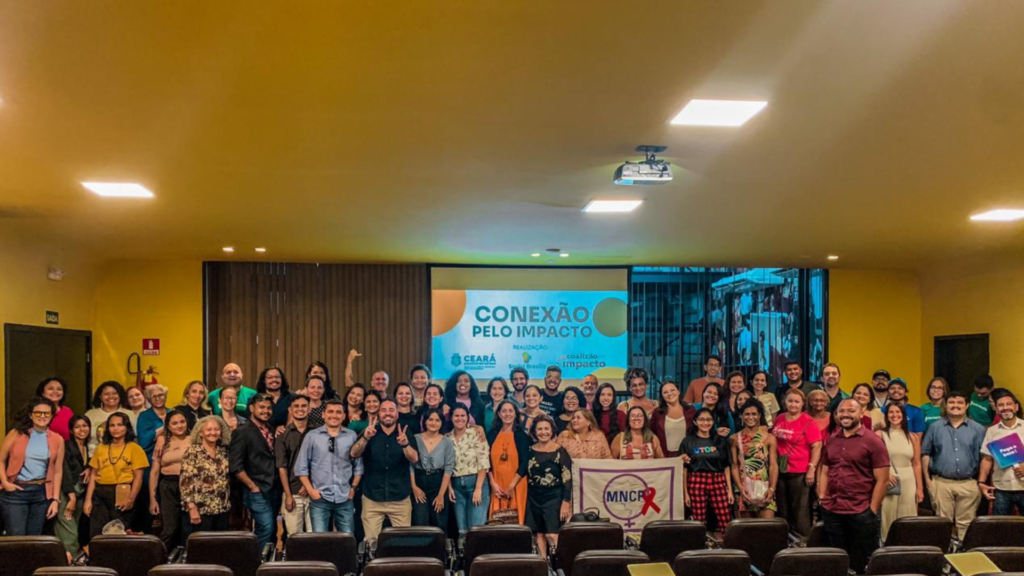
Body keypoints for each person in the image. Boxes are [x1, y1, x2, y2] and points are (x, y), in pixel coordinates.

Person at [818, 399, 890, 574]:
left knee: (863, 562)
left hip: (861, 511)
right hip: (833, 510)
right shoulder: (832, 439)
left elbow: (883, 480)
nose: (845, 415)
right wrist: (822, 497)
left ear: (861, 413)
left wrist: (872, 510)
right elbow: (826, 471)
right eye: (841, 411)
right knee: (838, 560)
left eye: (851, 411)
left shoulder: (873, 441)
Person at [920, 391, 985, 539]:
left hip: (968, 484)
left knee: (966, 525)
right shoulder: (935, 427)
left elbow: (985, 458)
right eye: (951, 403)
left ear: (967, 405)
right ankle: (944, 557)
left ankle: (963, 557)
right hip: (941, 483)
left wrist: (979, 482)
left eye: (960, 403)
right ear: (946, 405)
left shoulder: (978, 429)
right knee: (943, 524)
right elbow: (925, 454)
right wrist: (928, 482)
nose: (955, 406)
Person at [349, 399, 418, 540]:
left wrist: (405, 445)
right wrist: (365, 438)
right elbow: (354, 453)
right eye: (384, 410)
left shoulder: (405, 432)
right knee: (371, 544)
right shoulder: (369, 431)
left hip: (400, 498)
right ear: (378, 414)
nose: (388, 413)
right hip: (372, 499)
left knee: (402, 544)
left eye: (391, 410)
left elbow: (415, 458)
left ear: (397, 414)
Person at [296, 399, 362, 533]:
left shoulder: (351, 435)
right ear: (323, 414)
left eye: (338, 412)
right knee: (320, 541)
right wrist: (311, 491)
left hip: (345, 497)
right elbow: (301, 467)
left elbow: (358, 466)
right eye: (330, 412)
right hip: (320, 498)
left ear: (344, 416)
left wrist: (353, 489)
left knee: (347, 540)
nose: (334, 415)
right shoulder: (312, 436)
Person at [0, 398, 64, 535]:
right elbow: (1, 460)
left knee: (34, 538)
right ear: (31, 415)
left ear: (52, 416)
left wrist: (55, 500)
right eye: (38, 413)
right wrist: (5, 482)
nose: (42, 416)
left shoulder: (57, 439)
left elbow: (58, 471)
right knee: (16, 536)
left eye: (46, 413)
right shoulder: (16, 433)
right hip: (16, 491)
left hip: (41, 493)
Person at [83, 412, 148, 540]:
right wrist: (88, 500)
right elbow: (94, 476)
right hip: (101, 494)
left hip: (123, 492)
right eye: (112, 425)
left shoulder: (135, 449)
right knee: (97, 534)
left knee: (119, 534)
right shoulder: (100, 448)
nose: (116, 428)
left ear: (127, 427)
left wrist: (131, 499)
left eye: (120, 425)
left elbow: (138, 477)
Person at [229, 393, 281, 549]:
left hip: (274, 488)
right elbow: (235, 465)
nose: (266, 411)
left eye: (269, 408)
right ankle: (255, 563)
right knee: (265, 527)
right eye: (262, 407)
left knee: (271, 530)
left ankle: (269, 562)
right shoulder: (242, 431)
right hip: (256, 489)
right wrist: (252, 486)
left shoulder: (272, 429)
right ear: (251, 408)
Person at [771, 388, 822, 539]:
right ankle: (784, 540)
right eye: (790, 401)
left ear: (802, 404)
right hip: (780, 470)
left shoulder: (808, 421)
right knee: (782, 509)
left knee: (799, 510)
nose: (793, 405)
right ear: (785, 402)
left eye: (796, 402)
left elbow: (817, 446)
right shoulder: (780, 418)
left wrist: (811, 468)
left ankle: (802, 540)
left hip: (800, 472)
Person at [524, 416, 573, 558]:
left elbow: (567, 479)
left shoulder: (560, 451)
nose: (543, 432)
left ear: (552, 431)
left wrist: (565, 502)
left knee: (552, 534)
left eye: (546, 429)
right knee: (539, 533)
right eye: (539, 429)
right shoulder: (530, 450)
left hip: (554, 497)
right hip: (534, 497)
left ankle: (560, 565)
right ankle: (543, 566)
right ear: (534, 431)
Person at [681, 408, 733, 534]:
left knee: (724, 514)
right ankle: (701, 545)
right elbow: (684, 469)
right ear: (695, 422)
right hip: (696, 479)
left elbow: (726, 466)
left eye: (709, 420)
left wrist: (730, 490)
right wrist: (685, 493)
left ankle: (728, 544)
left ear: (713, 422)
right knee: (698, 517)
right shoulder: (688, 441)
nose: (705, 423)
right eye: (702, 420)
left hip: (718, 479)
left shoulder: (720, 441)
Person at [180, 416, 232, 537]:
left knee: (220, 546)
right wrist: (192, 507)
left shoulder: (224, 451)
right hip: (200, 509)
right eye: (208, 430)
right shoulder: (192, 452)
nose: (213, 433)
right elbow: (185, 482)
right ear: (200, 432)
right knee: (201, 548)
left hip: (221, 508)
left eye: (216, 429)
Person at [878, 403, 923, 540]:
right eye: (891, 412)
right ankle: (886, 544)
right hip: (888, 479)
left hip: (909, 480)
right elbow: (874, 461)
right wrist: (886, 474)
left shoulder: (913, 437)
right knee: (888, 514)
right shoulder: (880, 435)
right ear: (886, 416)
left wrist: (920, 488)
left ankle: (907, 544)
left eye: (898, 412)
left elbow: (916, 463)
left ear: (903, 415)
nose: (894, 415)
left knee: (907, 514)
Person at [148, 409, 191, 549]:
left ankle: (188, 563)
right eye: (174, 423)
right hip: (168, 486)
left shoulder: (195, 439)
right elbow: (154, 472)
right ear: (168, 426)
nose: (179, 425)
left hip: (191, 486)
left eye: (182, 422)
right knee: (169, 528)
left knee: (188, 527)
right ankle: (159, 561)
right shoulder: (162, 443)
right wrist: (153, 499)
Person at [447, 404, 491, 536]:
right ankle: (463, 557)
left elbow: (483, 462)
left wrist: (478, 488)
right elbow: (446, 466)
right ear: (451, 417)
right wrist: (449, 488)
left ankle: (477, 557)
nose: (460, 418)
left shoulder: (476, 433)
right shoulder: (447, 438)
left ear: (467, 417)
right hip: (456, 487)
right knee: (462, 531)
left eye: (463, 416)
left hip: (476, 484)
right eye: (456, 415)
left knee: (476, 529)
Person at [978, 389, 1024, 516]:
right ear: (997, 410)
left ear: (1016, 407)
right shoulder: (992, 431)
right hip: (1001, 489)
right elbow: (987, 459)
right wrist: (981, 482)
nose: (1005, 408)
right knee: (1000, 529)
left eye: (1009, 404)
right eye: (1001, 405)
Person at [731, 399, 778, 519]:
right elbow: (734, 466)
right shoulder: (735, 439)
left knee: (767, 529)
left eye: (754, 414)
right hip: (744, 490)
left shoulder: (769, 438)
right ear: (741, 416)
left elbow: (773, 465)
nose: (750, 417)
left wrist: (772, 488)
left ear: (759, 416)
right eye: (747, 414)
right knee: (746, 532)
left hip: (764, 488)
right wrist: (740, 489)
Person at [487, 400, 530, 524]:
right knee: (496, 522)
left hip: (516, 485)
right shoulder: (492, 434)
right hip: (497, 485)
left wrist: (512, 486)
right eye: (504, 411)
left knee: (515, 521)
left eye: (510, 411)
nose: (507, 414)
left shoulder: (521, 435)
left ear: (516, 414)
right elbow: (486, 461)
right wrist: (492, 483)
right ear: (499, 414)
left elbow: (524, 463)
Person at [410, 408, 455, 530]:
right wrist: (414, 487)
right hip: (420, 482)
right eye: (430, 419)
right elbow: (410, 465)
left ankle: (440, 549)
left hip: (438, 483)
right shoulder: (415, 438)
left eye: (437, 420)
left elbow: (448, 467)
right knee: (420, 522)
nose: (433, 423)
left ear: (441, 423)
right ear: (425, 421)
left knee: (439, 523)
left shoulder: (447, 442)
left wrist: (441, 494)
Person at [276, 394, 311, 535]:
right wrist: (288, 495)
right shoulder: (282, 434)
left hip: (314, 492)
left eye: (304, 406)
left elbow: (321, 463)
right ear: (290, 410)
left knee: (316, 537)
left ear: (309, 409)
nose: (300, 409)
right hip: (293, 491)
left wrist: (309, 484)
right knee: (294, 537)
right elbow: (282, 467)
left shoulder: (318, 431)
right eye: (296, 406)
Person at [55, 415, 91, 554]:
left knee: (77, 530)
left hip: (81, 494)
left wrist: (89, 467)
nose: (82, 429)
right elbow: (64, 472)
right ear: (71, 430)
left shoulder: (89, 447)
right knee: (69, 534)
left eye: (85, 426)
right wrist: (71, 498)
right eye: (77, 427)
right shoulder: (66, 446)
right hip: (66, 494)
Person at [85, 381, 136, 454]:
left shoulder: (129, 414)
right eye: (106, 394)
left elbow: (134, 438)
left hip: (123, 456)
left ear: (120, 395)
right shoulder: (90, 414)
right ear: (100, 397)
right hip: (94, 456)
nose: (111, 396)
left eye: (114, 393)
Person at [650, 380, 695, 457]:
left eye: (672, 390)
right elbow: (651, 434)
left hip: (688, 455)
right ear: (662, 396)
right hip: (665, 456)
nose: (669, 393)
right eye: (665, 392)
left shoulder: (690, 410)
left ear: (678, 391)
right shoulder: (657, 413)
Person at [136, 385, 170, 460]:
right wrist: (165, 428)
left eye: (160, 395)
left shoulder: (172, 413)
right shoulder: (144, 416)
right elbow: (143, 442)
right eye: (154, 396)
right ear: (149, 399)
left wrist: (161, 437)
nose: (157, 398)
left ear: (165, 396)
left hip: (171, 456)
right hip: (151, 457)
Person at [257, 366, 293, 431]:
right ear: (264, 381)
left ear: (282, 379)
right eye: (270, 377)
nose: (274, 380)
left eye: (277, 377)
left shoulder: (293, 398)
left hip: (287, 436)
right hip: (261, 437)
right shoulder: (255, 399)